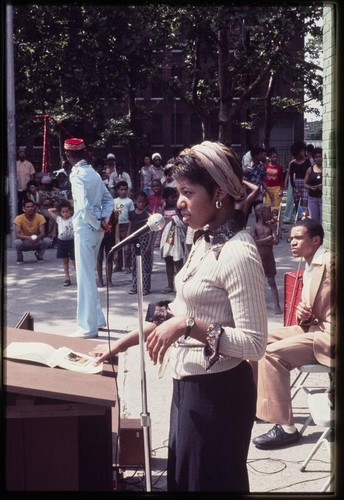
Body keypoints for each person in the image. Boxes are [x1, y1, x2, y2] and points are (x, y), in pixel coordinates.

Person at [91, 140, 268, 492]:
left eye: (188, 191)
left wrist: (189, 325)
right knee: (185, 481)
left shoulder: (238, 254)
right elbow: (176, 311)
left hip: (218, 396)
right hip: (188, 387)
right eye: (178, 191)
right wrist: (120, 346)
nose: (179, 202)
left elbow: (254, 344)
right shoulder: (203, 239)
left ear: (219, 194)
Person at [252, 218, 334, 449]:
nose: (292, 243)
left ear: (315, 240)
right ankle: (263, 407)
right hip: (314, 328)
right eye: (291, 238)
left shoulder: (330, 262)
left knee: (272, 354)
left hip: (328, 336)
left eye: (299, 238)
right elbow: (313, 308)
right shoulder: (309, 265)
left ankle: (286, 428)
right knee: (257, 340)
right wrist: (302, 312)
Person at [66, 137, 115, 338]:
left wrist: (97, 222)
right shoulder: (93, 173)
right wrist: (103, 220)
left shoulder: (76, 175)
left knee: (85, 277)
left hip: (86, 229)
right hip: (96, 230)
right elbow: (108, 200)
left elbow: (84, 207)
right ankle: (98, 319)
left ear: (68, 154)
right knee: (89, 275)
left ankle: (87, 328)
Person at [251, 204, 282, 314]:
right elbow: (254, 242)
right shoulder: (254, 228)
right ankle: (255, 305)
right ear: (261, 214)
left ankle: (277, 305)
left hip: (269, 257)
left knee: (271, 281)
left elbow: (276, 240)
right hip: (258, 258)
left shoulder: (270, 227)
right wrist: (268, 239)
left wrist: (265, 240)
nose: (271, 215)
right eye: (268, 213)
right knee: (256, 282)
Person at [160, 187, 187, 294]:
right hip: (167, 239)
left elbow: (182, 222)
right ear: (166, 199)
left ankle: (179, 285)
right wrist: (163, 207)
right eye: (172, 197)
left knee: (178, 261)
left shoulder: (179, 210)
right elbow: (158, 219)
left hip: (177, 239)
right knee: (168, 260)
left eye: (176, 197)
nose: (175, 199)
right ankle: (170, 285)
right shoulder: (164, 210)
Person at [127, 191, 153, 295]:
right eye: (139, 202)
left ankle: (145, 288)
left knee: (145, 265)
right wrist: (127, 242)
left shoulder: (148, 214)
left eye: (143, 202)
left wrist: (149, 245)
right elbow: (130, 227)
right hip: (134, 239)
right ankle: (135, 286)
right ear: (135, 202)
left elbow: (151, 230)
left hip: (145, 238)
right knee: (135, 264)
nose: (141, 204)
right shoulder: (132, 214)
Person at [47, 200, 75, 286]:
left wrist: (70, 206)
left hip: (72, 241)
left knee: (74, 260)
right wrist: (58, 208)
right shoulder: (58, 219)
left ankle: (80, 277)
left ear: (70, 211)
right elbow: (49, 210)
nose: (65, 213)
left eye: (67, 211)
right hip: (62, 242)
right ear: (60, 212)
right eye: (63, 212)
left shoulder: (73, 219)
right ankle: (67, 278)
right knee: (65, 260)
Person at [13, 199, 51, 264]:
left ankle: (39, 255)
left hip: (37, 240)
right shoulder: (19, 218)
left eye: (32, 206)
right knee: (17, 242)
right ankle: (20, 257)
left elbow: (42, 233)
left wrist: (37, 238)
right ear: (24, 209)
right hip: (25, 241)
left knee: (47, 241)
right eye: (28, 207)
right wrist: (28, 238)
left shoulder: (40, 217)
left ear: (34, 207)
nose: (30, 208)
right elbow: (18, 235)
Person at [242, 145, 273, 224]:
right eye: (262, 154)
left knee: (259, 215)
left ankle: (260, 232)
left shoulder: (262, 167)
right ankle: (242, 230)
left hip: (259, 196)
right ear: (256, 155)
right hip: (249, 196)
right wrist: (245, 196)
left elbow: (263, 181)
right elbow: (243, 183)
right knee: (245, 214)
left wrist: (269, 193)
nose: (264, 156)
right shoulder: (246, 169)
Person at [113, 180, 135, 273]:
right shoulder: (114, 201)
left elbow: (132, 214)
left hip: (126, 224)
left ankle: (127, 266)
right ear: (117, 190)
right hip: (117, 225)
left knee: (127, 246)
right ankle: (118, 265)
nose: (123, 191)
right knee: (117, 245)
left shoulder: (129, 201)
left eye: (125, 189)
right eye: (121, 189)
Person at [96, 209, 119, 288]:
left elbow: (115, 223)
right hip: (99, 236)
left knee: (109, 258)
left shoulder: (111, 211)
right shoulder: (96, 210)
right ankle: (100, 280)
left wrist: (116, 217)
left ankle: (109, 280)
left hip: (109, 236)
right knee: (99, 258)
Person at [289, 140, 311, 218]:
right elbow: (291, 177)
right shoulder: (293, 164)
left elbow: (310, 173)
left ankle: (304, 218)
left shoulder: (308, 162)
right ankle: (298, 218)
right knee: (297, 203)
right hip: (296, 184)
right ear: (296, 152)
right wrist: (294, 188)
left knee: (305, 202)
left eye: (303, 150)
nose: (302, 152)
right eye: (300, 151)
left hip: (305, 183)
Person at [303, 147, 322, 224]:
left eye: (320, 156)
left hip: (322, 198)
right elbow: (304, 183)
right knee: (314, 220)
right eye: (316, 157)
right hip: (312, 198)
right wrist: (310, 187)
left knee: (322, 220)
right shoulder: (310, 169)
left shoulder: (326, 169)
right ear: (313, 159)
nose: (318, 158)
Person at [16, 148, 35, 213]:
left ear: (25, 155)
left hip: (27, 188)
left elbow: (32, 176)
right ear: (18, 155)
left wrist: (30, 187)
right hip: (18, 188)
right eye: (20, 153)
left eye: (23, 153)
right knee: (19, 203)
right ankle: (19, 215)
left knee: (27, 202)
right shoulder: (15, 164)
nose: (22, 155)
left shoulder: (29, 164)